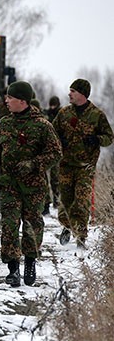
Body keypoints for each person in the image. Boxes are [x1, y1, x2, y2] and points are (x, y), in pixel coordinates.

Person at [0, 81, 61, 287]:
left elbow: (56, 153)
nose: (6, 100)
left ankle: (30, 262)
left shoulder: (42, 125)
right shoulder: (4, 123)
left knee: (31, 226)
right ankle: (13, 268)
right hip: (9, 185)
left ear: (22, 101)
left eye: (10, 98)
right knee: (9, 226)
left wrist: (33, 164)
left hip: (33, 187)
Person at [52, 79, 114, 248]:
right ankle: (66, 225)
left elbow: (109, 138)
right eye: (69, 90)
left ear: (82, 94)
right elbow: (51, 133)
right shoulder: (64, 113)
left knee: (82, 201)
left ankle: (81, 236)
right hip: (65, 165)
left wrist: (96, 139)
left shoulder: (97, 115)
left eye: (73, 91)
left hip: (85, 167)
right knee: (66, 200)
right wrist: (59, 140)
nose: (69, 94)